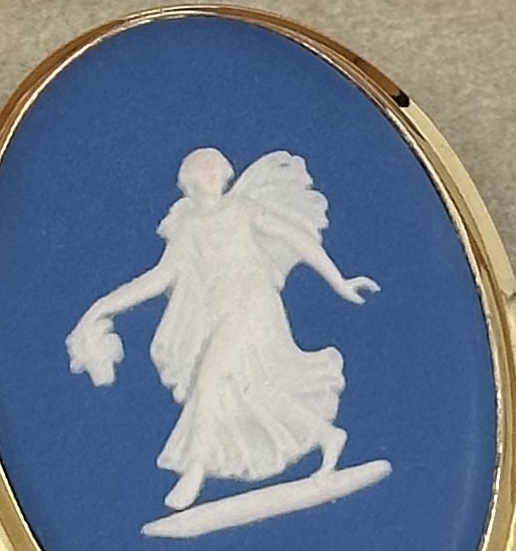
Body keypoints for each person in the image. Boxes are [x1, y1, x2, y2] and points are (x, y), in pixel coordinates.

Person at [67, 149, 379, 512]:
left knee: (210, 378)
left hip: (253, 304)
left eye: (216, 172)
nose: (214, 179)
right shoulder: (187, 228)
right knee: (249, 388)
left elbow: (297, 239)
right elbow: (159, 279)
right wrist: (102, 307)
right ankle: (326, 436)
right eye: (206, 174)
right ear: (191, 182)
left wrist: (340, 281)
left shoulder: (241, 209)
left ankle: (196, 470)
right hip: (221, 312)